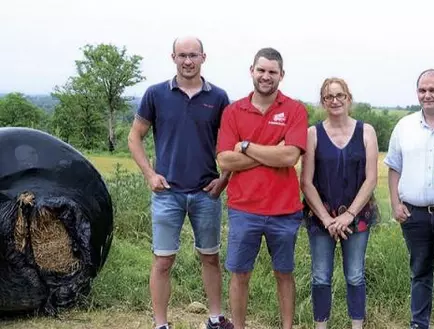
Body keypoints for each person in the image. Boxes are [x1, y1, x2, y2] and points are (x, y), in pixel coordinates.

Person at [127, 36, 233, 329]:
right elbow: (135, 136)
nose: (188, 61)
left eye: (193, 55)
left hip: (206, 193)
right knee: (163, 262)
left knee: (210, 258)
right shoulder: (156, 94)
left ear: (203, 57)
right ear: (173, 57)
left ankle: (214, 319)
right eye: (182, 55)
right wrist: (150, 174)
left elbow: (228, 145)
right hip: (167, 193)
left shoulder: (219, 97)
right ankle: (161, 324)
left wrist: (224, 179)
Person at [215, 47, 308, 329]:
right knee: (240, 274)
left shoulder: (295, 110)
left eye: (272, 72)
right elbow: (223, 159)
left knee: (284, 274)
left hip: (285, 209)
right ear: (251, 71)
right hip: (244, 209)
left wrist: (246, 147)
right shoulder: (233, 111)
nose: (266, 76)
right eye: (261, 70)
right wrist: (271, 153)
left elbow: (290, 157)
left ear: (281, 75)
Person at [300, 77, 379, 329]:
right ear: (322, 102)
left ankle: (357, 326)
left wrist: (349, 215)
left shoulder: (366, 131)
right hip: (320, 216)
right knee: (320, 277)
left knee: (355, 275)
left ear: (348, 98)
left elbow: (371, 178)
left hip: (358, 216)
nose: (334, 101)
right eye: (328, 97)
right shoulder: (312, 134)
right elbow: (306, 182)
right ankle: (320, 326)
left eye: (339, 95)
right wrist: (326, 219)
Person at [384, 69, 434, 329]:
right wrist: (395, 203)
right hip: (415, 215)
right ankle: (418, 324)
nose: (428, 95)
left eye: (433, 90)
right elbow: (393, 167)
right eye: (423, 90)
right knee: (420, 273)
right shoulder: (405, 125)